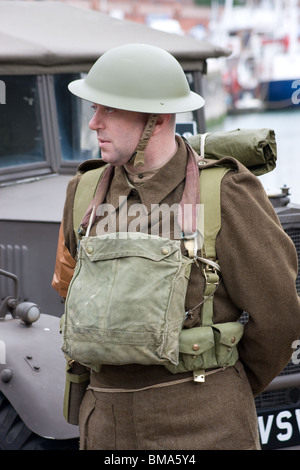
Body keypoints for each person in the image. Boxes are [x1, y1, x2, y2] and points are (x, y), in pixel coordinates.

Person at [52, 43, 300, 450]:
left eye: (109, 109)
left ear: (158, 117)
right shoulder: (82, 194)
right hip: (105, 427)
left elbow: (279, 319)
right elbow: (70, 294)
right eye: (94, 108)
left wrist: (223, 384)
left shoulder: (225, 193)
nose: (94, 122)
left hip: (202, 425)